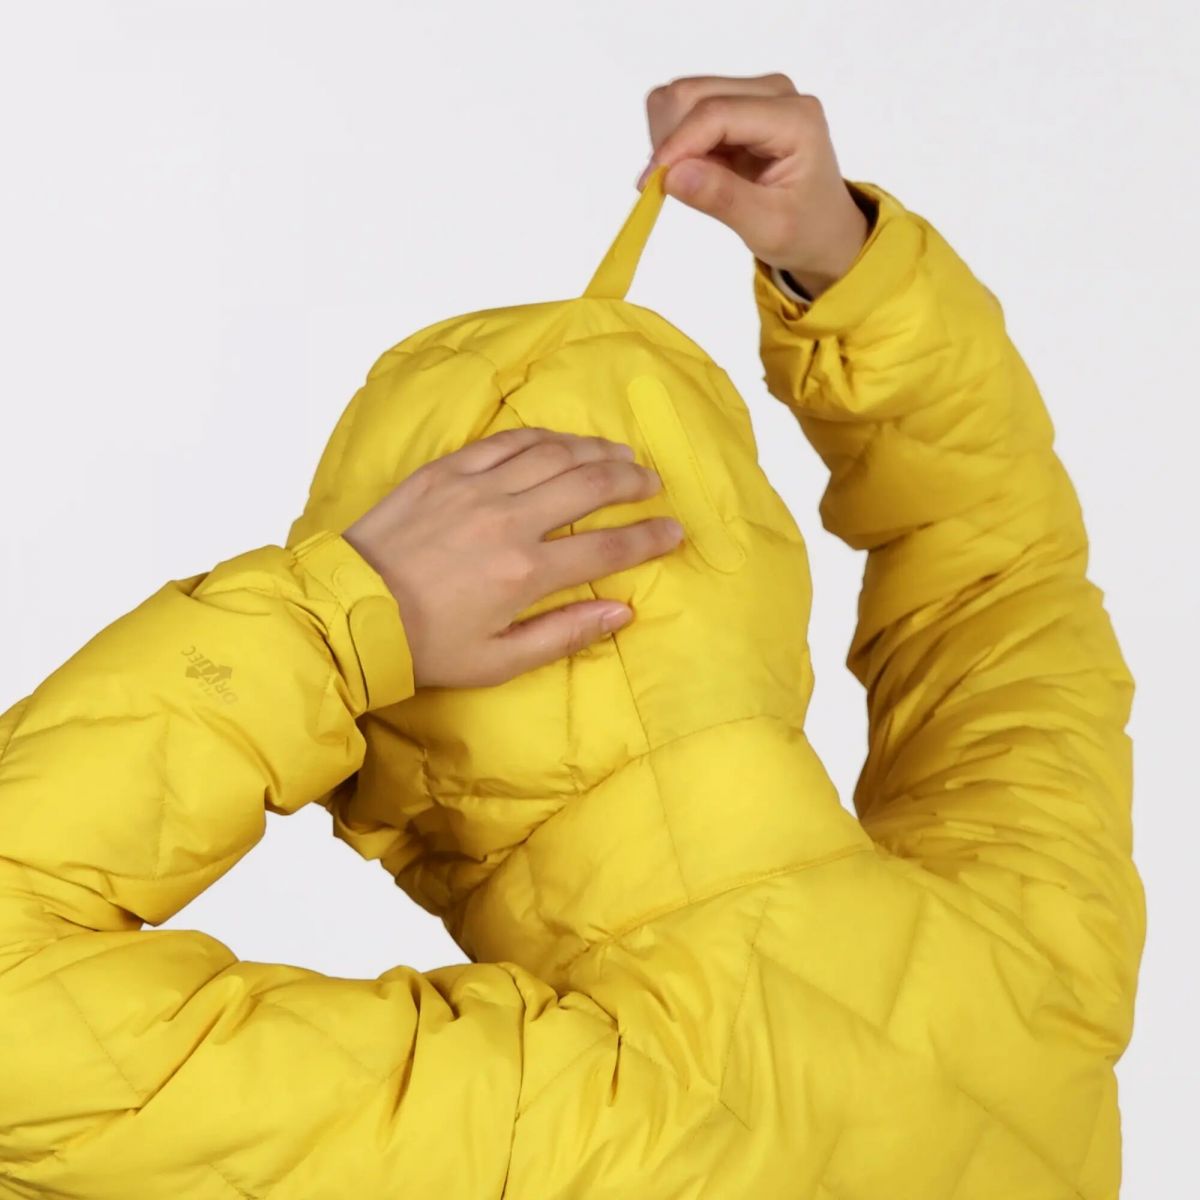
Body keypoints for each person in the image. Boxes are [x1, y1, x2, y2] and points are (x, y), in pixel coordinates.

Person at [0, 73, 1143, 1199]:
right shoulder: (1034, 946)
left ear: (400, 734)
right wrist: (845, 269)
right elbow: (999, 577)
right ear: (751, 581)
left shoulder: (556, 1119)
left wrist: (339, 624)